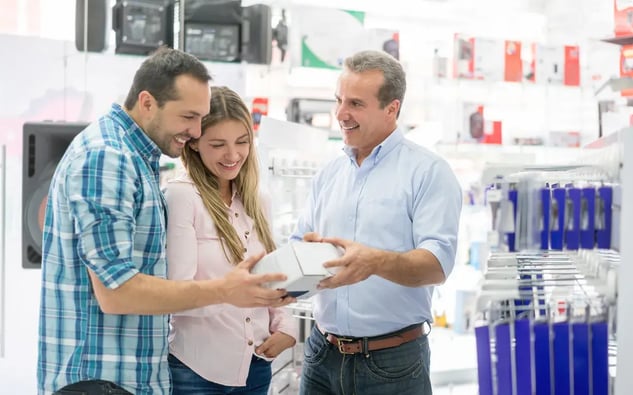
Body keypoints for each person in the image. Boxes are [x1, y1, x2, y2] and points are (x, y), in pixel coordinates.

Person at [37, 47, 293, 395]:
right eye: (189, 117)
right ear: (147, 102)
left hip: (127, 378)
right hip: (102, 379)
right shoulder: (108, 158)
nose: (195, 130)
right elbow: (117, 292)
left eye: (201, 118)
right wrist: (224, 291)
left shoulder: (135, 158)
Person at [291, 50, 462, 395]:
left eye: (355, 103)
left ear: (391, 109)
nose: (341, 114)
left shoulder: (428, 172)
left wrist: (375, 262)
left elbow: (437, 264)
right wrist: (295, 269)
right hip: (321, 356)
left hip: (392, 364)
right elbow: (299, 246)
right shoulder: (329, 174)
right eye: (339, 100)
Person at [164, 86, 298, 394]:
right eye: (218, 144)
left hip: (257, 366)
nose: (233, 155)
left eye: (242, 142)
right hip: (197, 372)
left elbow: (270, 276)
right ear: (194, 143)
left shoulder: (257, 199)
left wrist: (286, 327)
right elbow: (176, 294)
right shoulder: (182, 196)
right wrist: (230, 296)